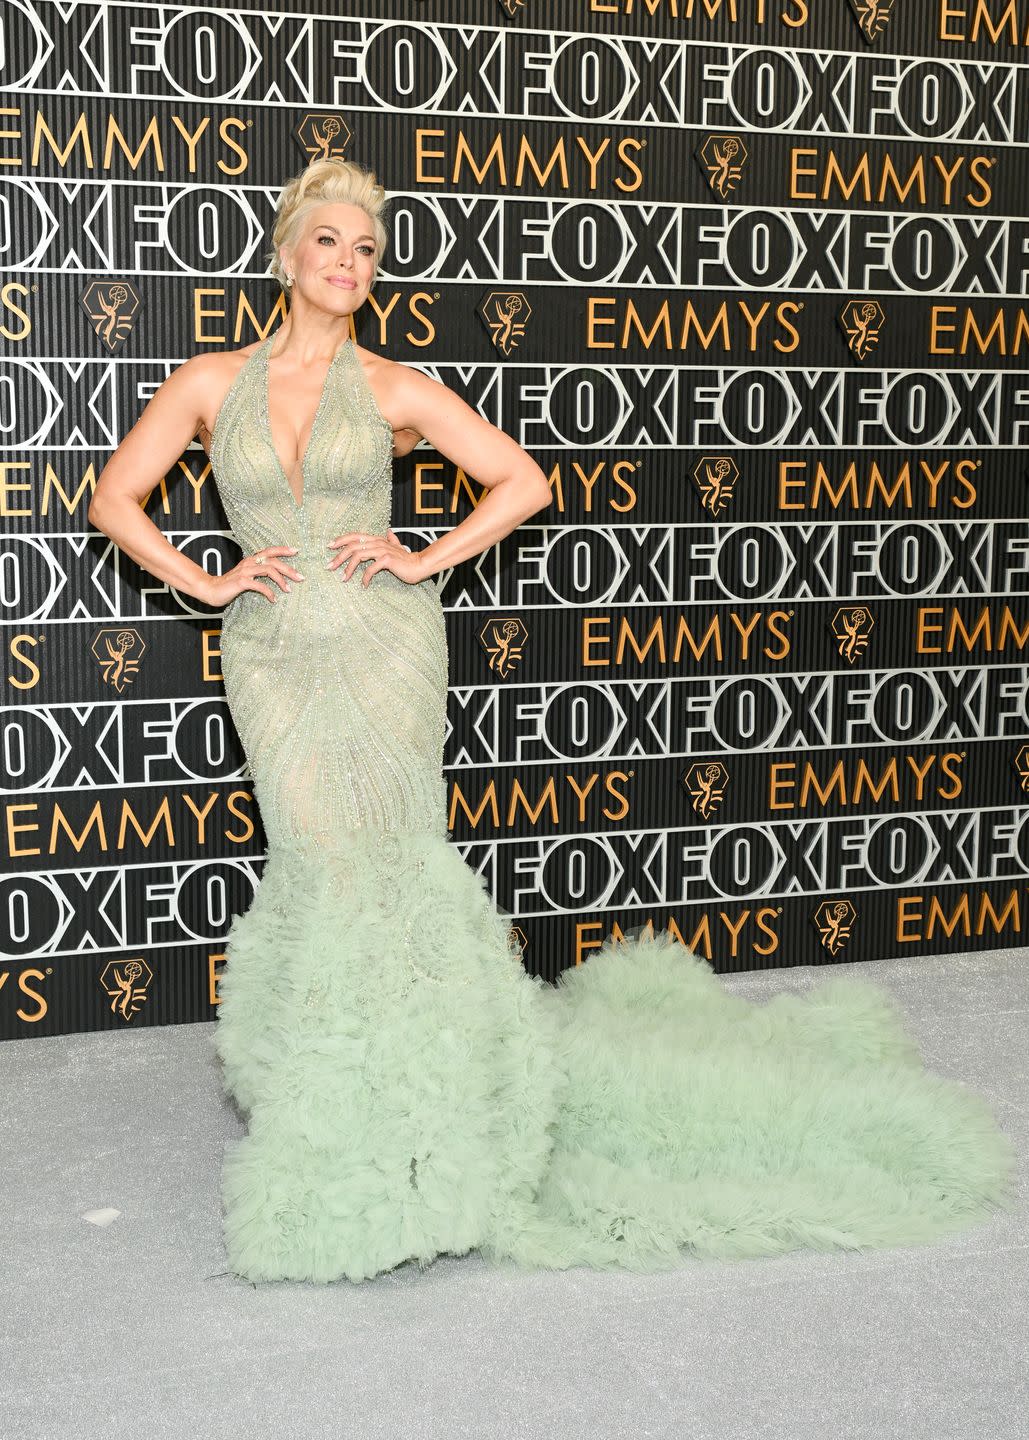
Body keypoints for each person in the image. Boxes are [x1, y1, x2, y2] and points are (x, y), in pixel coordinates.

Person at [88, 159, 1014, 1284]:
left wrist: (423, 556)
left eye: (367, 250)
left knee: (388, 860)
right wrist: (209, 578)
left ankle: (425, 1106)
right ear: (286, 259)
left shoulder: (393, 387)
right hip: (274, 654)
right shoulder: (208, 381)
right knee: (317, 861)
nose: (347, 262)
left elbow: (520, 482)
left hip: (386, 647)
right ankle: (330, 1090)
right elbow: (112, 497)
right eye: (328, 242)